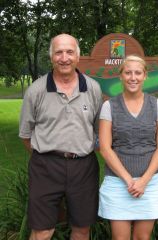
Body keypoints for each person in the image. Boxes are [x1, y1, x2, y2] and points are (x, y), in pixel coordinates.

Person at [19, 33, 102, 240]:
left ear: (78, 56)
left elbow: (99, 129)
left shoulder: (92, 88)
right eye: (59, 52)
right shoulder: (35, 91)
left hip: (83, 167)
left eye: (69, 52)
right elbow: (26, 136)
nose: (64, 57)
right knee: (42, 230)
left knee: (82, 229)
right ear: (51, 57)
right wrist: (49, 155)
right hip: (45, 168)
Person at [98, 55, 158, 240]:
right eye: (128, 72)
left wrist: (143, 181)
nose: (133, 77)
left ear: (145, 76)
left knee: (142, 238)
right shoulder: (109, 106)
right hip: (118, 182)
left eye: (138, 73)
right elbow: (105, 148)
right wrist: (129, 180)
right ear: (120, 76)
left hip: (150, 182)